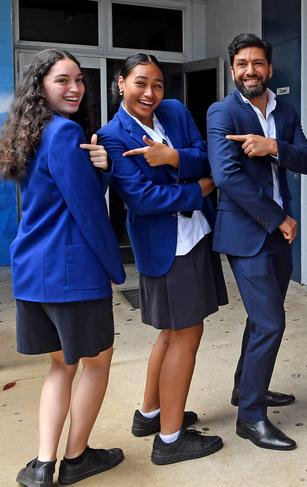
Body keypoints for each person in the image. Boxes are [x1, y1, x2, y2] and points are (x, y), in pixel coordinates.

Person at [0, 48, 125, 487]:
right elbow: (87, 209)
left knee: (61, 366)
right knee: (97, 362)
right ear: (41, 86)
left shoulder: (27, 133)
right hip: (71, 273)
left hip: (33, 272)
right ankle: (75, 459)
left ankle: (41, 464)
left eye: (79, 80)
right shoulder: (66, 133)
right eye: (62, 80)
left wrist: (100, 169)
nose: (74, 88)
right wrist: (116, 267)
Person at [98, 52, 228, 465]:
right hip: (166, 246)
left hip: (195, 236)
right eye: (140, 83)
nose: (150, 93)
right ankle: (171, 439)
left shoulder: (172, 112)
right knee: (186, 335)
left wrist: (171, 157)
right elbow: (142, 198)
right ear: (121, 83)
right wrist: (201, 189)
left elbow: (204, 154)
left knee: (172, 333)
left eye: (156, 84)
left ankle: (151, 414)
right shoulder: (113, 135)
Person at [207, 33, 307, 451]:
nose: (249, 71)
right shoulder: (223, 112)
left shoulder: (284, 112)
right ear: (233, 69)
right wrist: (279, 218)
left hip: (279, 235)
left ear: (269, 68)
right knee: (271, 322)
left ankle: (245, 387)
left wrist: (273, 147)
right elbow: (226, 177)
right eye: (241, 64)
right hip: (248, 233)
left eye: (257, 63)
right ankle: (250, 417)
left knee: (261, 319)